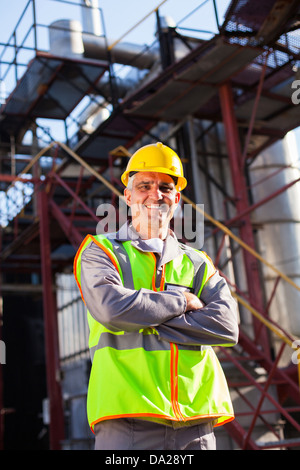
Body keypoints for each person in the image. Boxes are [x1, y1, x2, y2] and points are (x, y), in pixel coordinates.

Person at [74, 142, 239, 451]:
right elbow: (112, 311)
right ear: (128, 196)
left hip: (196, 420)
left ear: (176, 198)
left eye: (165, 187)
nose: (155, 194)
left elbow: (227, 327)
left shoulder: (198, 262)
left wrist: (144, 314)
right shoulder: (101, 251)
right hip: (128, 416)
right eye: (144, 186)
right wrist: (183, 302)